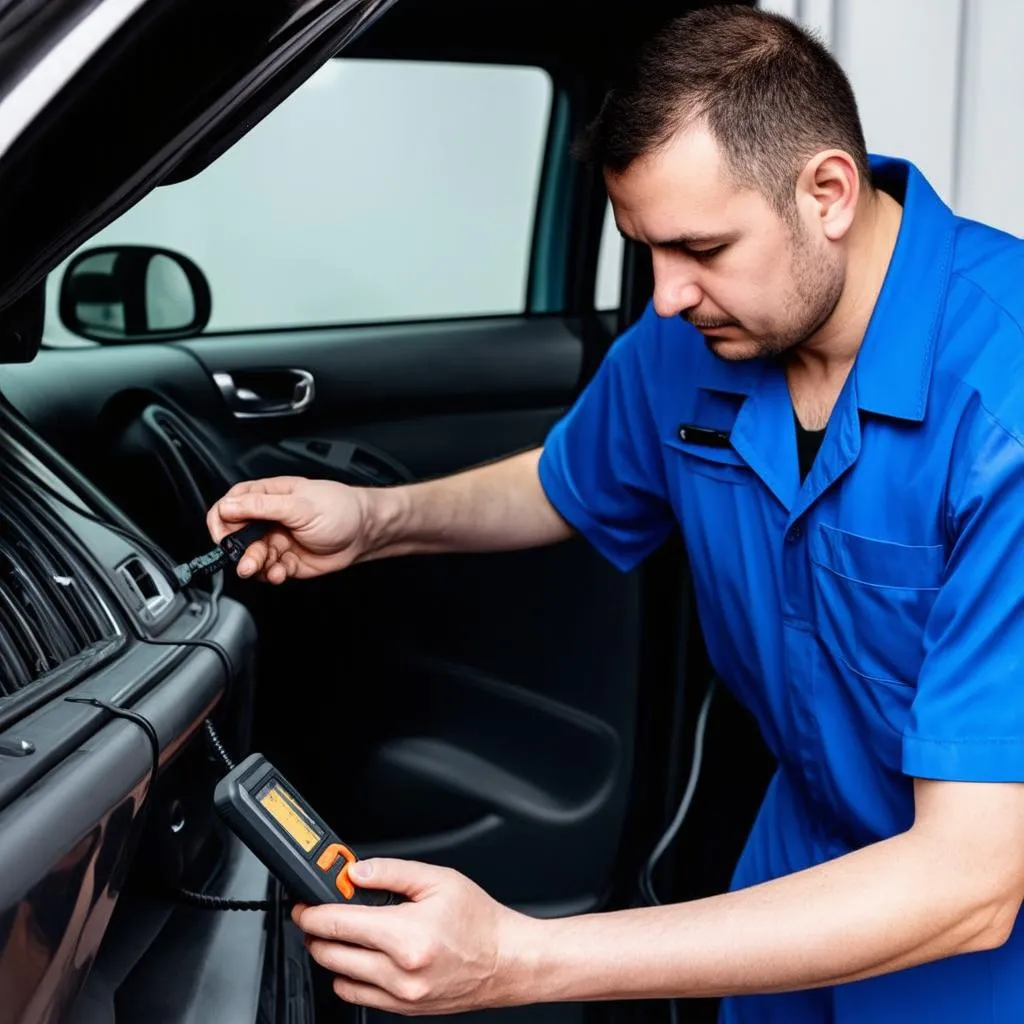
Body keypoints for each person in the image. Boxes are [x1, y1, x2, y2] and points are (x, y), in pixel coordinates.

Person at [206, 6, 1024, 1022]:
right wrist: (374, 519)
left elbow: (969, 880)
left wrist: (517, 959)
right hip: (793, 861)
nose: (666, 296)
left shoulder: (1006, 402)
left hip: (971, 938)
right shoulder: (695, 336)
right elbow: (565, 480)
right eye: (644, 248)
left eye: (699, 248)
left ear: (827, 193)